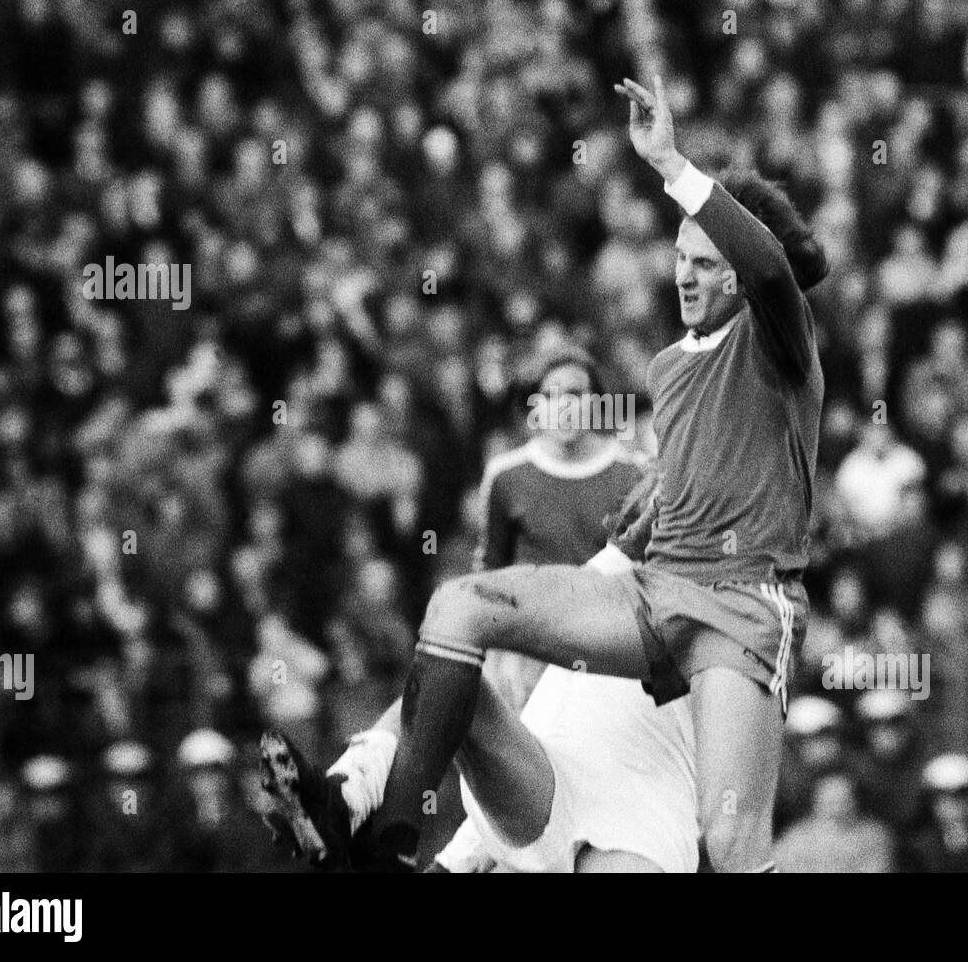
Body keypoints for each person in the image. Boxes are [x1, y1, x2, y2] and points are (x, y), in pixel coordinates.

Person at [267, 74, 829, 872]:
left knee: (733, 840)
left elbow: (773, 272)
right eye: (678, 257)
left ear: (737, 272)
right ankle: (384, 834)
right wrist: (660, 500)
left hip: (739, 605)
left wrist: (671, 164)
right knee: (461, 608)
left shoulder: (778, 341)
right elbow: (685, 485)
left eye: (706, 262)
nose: (685, 275)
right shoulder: (670, 370)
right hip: (655, 596)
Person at [263, 351, 699, 872]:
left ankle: (388, 829)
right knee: (455, 667)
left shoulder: (720, 605)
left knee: (464, 658)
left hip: (639, 816)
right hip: (549, 757)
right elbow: (499, 583)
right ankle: (350, 797)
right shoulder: (602, 562)